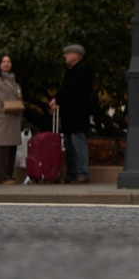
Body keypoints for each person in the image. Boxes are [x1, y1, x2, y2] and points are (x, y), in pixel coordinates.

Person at [56, 43, 96, 184]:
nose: (65, 56)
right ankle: (72, 173)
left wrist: (59, 99)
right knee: (69, 145)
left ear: (76, 55)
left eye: (68, 53)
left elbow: (74, 91)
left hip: (77, 114)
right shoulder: (70, 71)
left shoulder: (84, 71)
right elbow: (64, 90)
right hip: (68, 115)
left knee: (78, 144)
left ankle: (82, 173)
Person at [0, 54, 24, 184]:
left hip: (13, 117)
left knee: (11, 147)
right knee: (1, 147)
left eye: (9, 61)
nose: (6, 64)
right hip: (0, 118)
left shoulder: (14, 80)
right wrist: (0, 108)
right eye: (3, 61)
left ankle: (8, 174)